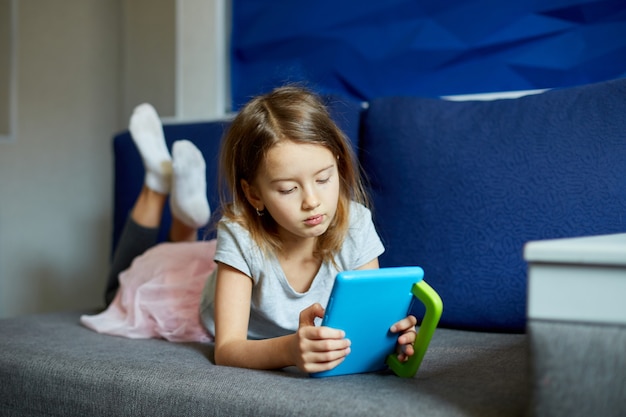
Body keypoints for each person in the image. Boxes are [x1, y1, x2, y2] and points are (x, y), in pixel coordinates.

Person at [82, 86, 417, 374]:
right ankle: (156, 184)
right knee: (115, 293)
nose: (313, 202)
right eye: (288, 189)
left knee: (183, 249)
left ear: (339, 168)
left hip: (219, 264)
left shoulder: (354, 222)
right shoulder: (239, 236)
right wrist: (288, 351)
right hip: (197, 289)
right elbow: (227, 349)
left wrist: (389, 339)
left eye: (324, 178)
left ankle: (184, 215)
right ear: (254, 194)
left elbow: (367, 327)